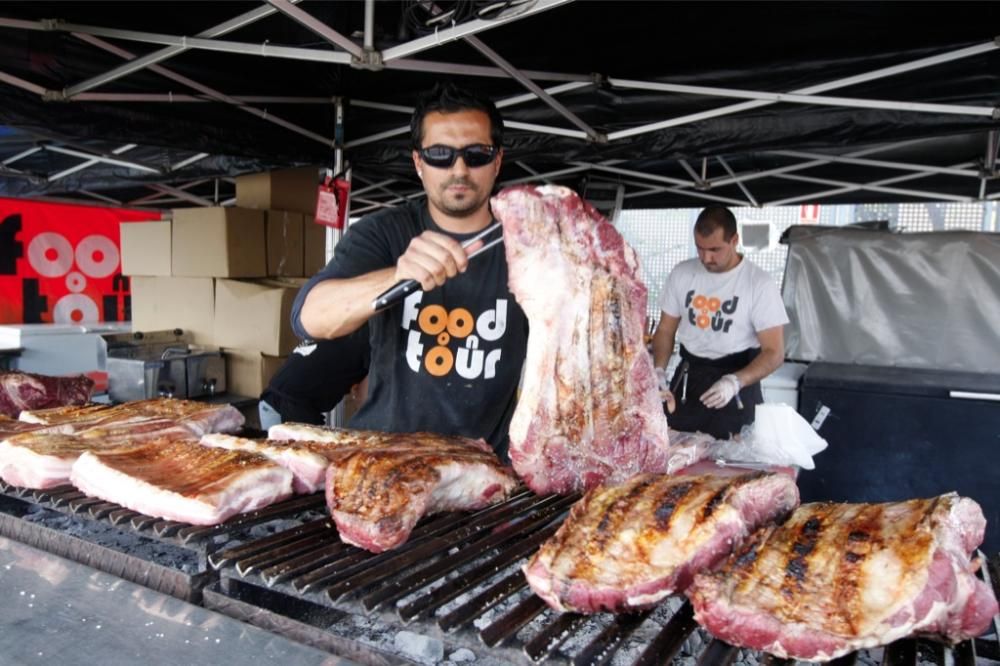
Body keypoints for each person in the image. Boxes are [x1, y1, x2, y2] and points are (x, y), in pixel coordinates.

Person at [290, 82, 528, 461]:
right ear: (418, 163)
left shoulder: (528, 244)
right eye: (440, 155)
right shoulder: (384, 232)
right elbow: (310, 318)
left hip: (484, 471)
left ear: (497, 161)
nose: (459, 169)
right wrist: (396, 276)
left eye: (477, 155)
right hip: (386, 461)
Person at [650, 205, 789, 439]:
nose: (706, 258)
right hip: (689, 378)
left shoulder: (758, 284)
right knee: (676, 452)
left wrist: (735, 381)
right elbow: (665, 330)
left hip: (737, 381)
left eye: (715, 249)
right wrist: (659, 369)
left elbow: (774, 353)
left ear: (734, 240)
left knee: (730, 464)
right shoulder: (682, 274)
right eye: (700, 248)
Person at [257, 326, 370, 430]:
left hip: (270, 400)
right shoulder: (369, 343)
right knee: (310, 450)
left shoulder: (344, 328)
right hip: (290, 405)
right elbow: (366, 399)